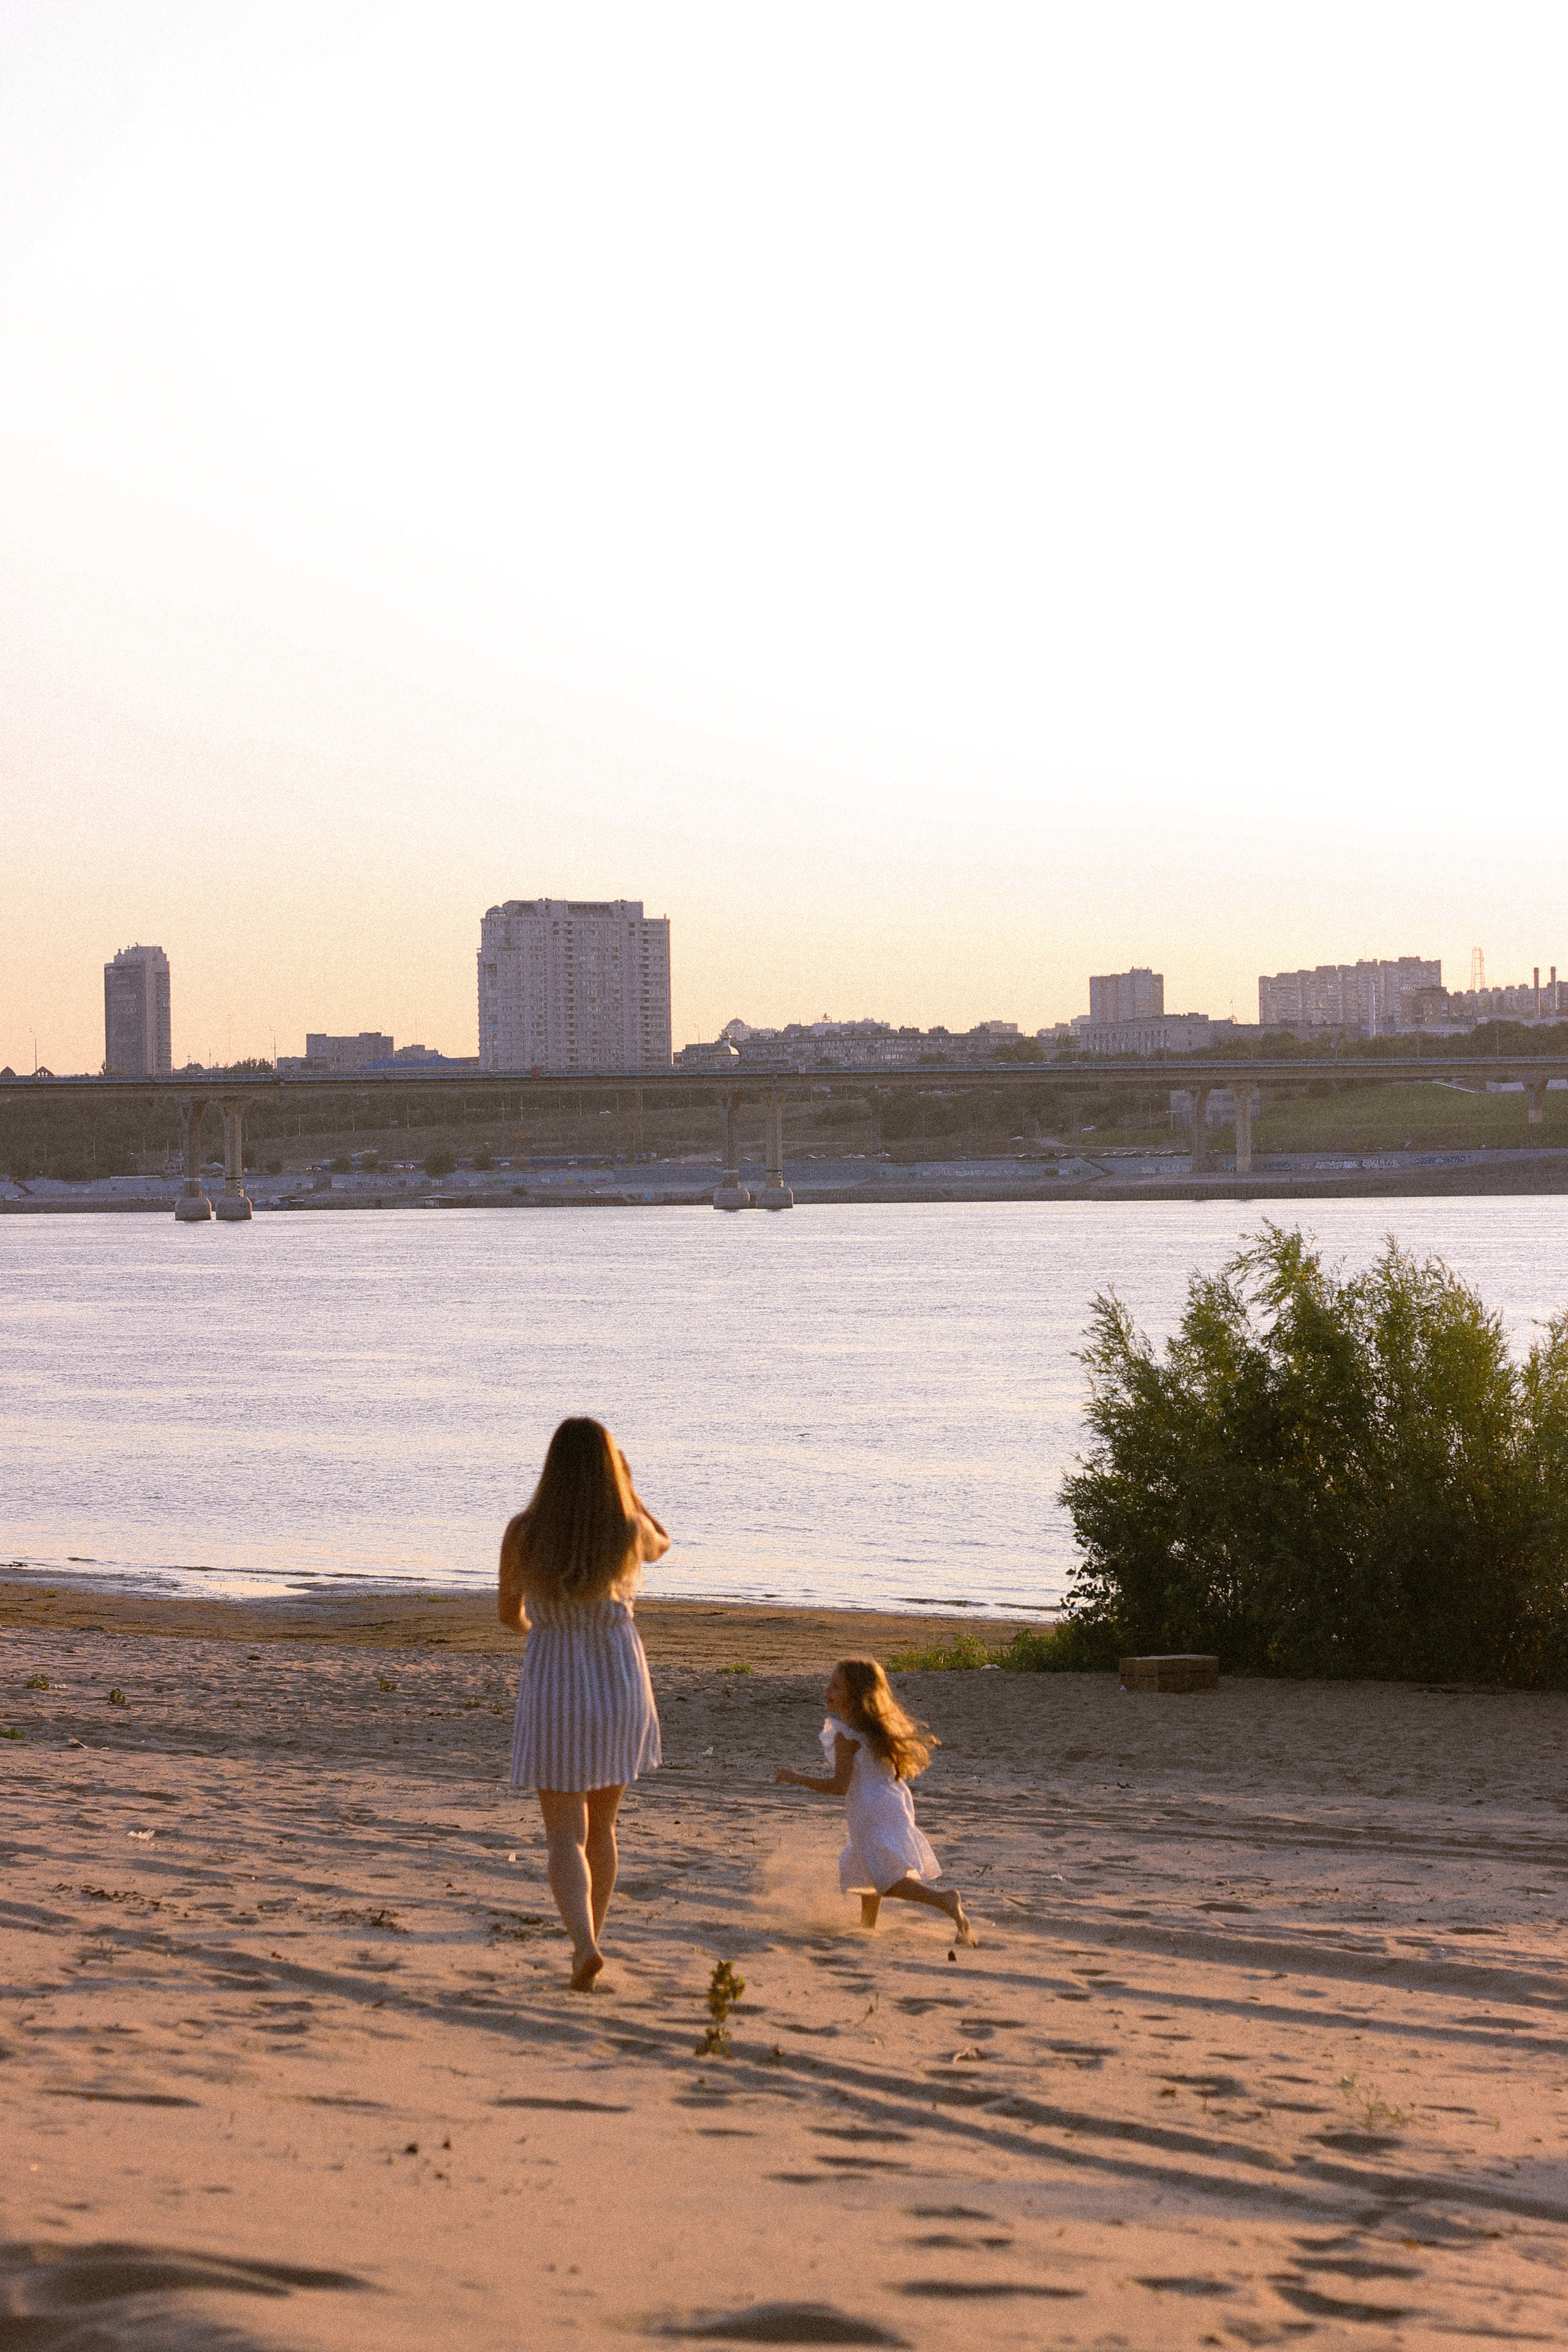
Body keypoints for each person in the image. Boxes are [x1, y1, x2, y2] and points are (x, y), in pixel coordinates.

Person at [499, 1417, 669, 1990]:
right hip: (619, 1676)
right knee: (604, 1829)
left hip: (556, 1680)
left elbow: (508, 1614)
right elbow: (664, 1543)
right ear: (610, 1469)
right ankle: (587, 1946)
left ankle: (583, 1945)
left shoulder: (524, 1532)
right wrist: (631, 1487)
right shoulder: (626, 1528)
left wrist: (544, 1624)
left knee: (565, 1833)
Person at [774, 1656, 976, 1943]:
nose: (827, 1691)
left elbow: (840, 1786)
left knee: (886, 1878)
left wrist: (798, 1778)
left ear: (855, 1697)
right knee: (869, 1864)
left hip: (871, 1806)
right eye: (829, 1684)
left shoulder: (846, 1735)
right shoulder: (874, 1729)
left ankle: (945, 1900)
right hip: (892, 1800)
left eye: (836, 1687)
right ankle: (867, 1924)